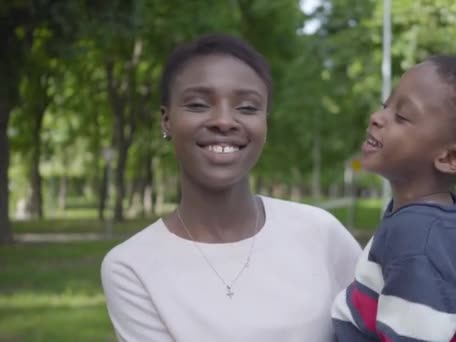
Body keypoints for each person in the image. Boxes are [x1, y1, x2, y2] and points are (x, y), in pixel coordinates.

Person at [101, 33, 362, 342]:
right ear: (167, 120)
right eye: (198, 104)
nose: (224, 121)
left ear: (265, 122)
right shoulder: (131, 267)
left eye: (248, 108)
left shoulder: (321, 232)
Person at [331, 55, 456, 342]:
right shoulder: (419, 219)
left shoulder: (420, 243)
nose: (377, 118)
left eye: (402, 116)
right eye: (385, 105)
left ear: (451, 158)